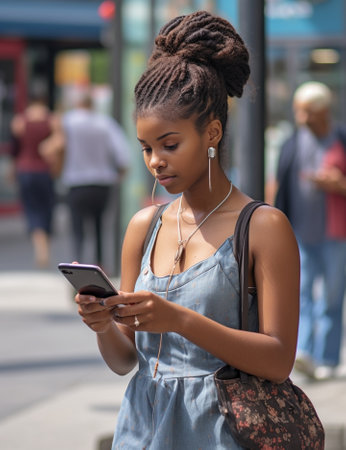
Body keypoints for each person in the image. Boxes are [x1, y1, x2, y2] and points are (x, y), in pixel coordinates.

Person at [76, 11, 300, 448]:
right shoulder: (144, 226)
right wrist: (102, 324)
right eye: (146, 148)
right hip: (141, 431)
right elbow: (126, 361)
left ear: (212, 133)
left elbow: (278, 360)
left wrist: (178, 319)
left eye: (170, 145)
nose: (156, 160)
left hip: (223, 433)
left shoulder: (262, 227)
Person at [275, 81, 346, 380]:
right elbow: (279, 186)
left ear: (323, 111)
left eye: (306, 111)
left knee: (331, 296)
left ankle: (327, 357)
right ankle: (303, 353)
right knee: (301, 294)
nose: (301, 117)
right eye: (298, 111)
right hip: (301, 232)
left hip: (335, 233)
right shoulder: (292, 143)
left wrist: (338, 185)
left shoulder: (340, 139)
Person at [60, 94, 131, 268]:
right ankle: (100, 265)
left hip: (76, 181)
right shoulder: (105, 123)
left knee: (78, 230)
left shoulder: (68, 121)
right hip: (102, 182)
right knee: (100, 228)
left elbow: (57, 145)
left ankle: (77, 266)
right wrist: (118, 176)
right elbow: (122, 154)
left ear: (78, 103)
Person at [10, 92, 57, 268]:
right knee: (46, 208)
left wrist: (12, 170)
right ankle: (45, 249)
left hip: (25, 170)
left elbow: (15, 150)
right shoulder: (51, 120)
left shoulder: (20, 121)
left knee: (32, 209)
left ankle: (40, 249)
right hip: (44, 170)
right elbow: (60, 143)